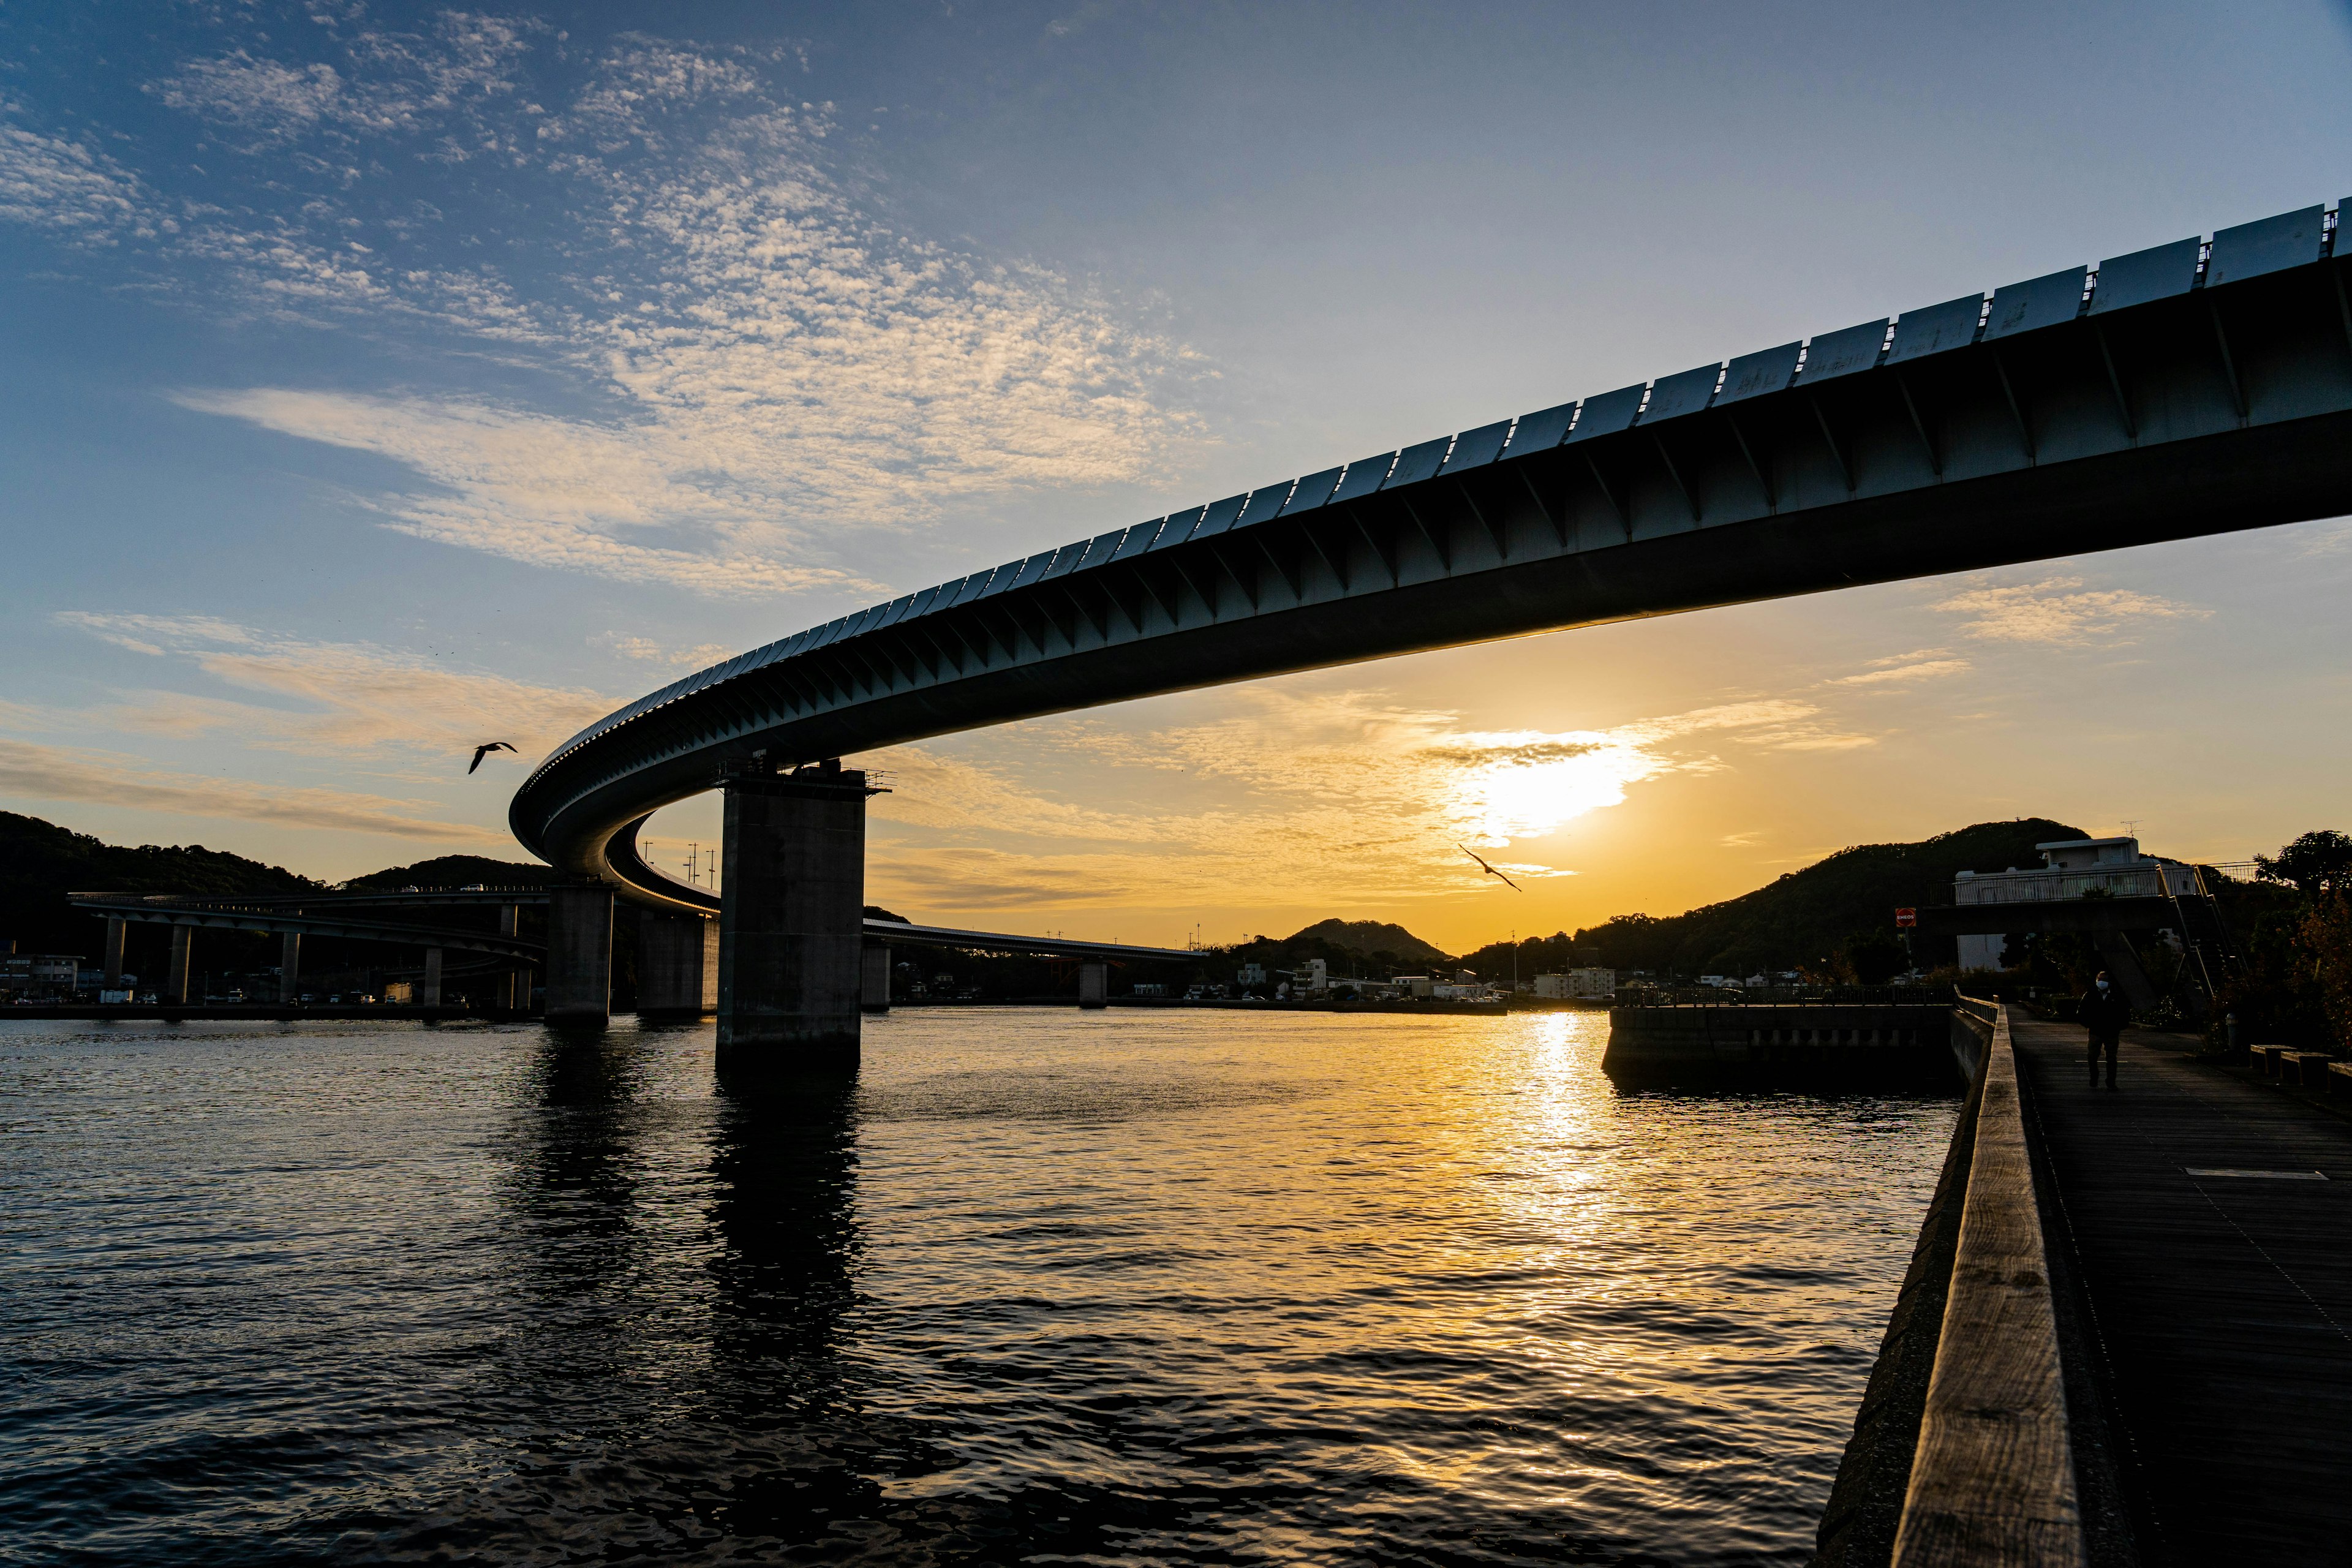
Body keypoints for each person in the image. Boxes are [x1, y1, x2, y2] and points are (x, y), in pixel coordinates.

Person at [2080, 970, 2132, 1089]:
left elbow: (2125, 1013)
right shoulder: (2090, 995)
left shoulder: (2117, 996)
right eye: (2100, 979)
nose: (2101, 982)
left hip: (2111, 1032)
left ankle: (2111, 1082)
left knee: (2112, 1058)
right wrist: (2089, 1025)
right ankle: (2094, 1077)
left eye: (2104, 980)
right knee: (2092, 1056)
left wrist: (2119, 1026)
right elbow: (2081, 1012)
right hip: (2095, 1032)